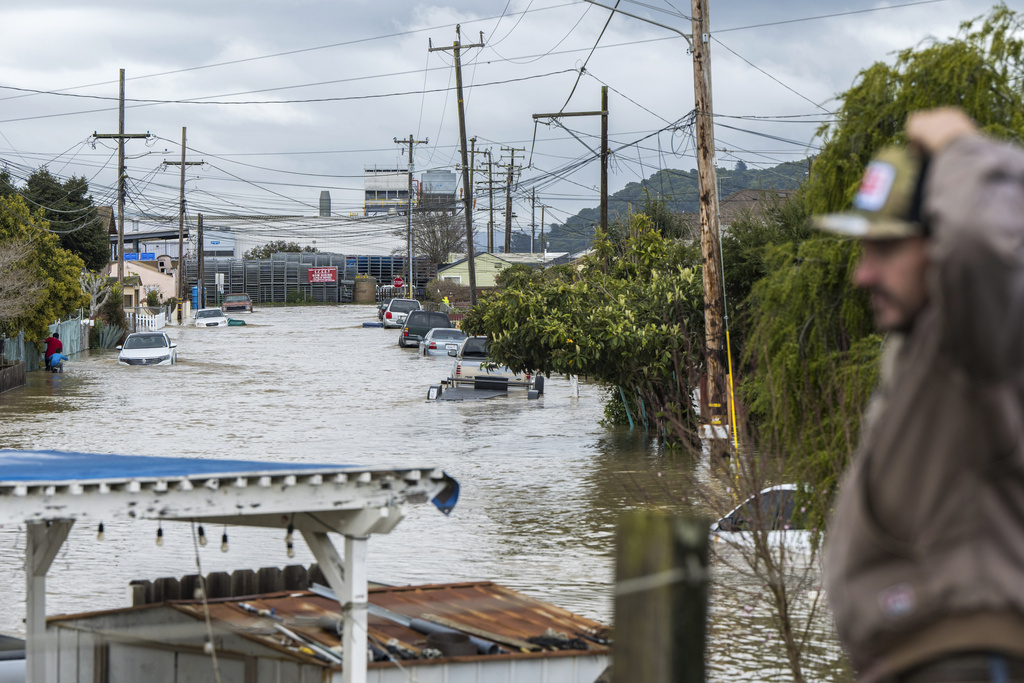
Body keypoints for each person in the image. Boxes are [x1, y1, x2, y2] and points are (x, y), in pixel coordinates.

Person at [814, 107, 1024, 682]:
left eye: (886, 249)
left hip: (967, 659)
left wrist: (961, 146)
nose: (863, 274)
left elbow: (983, 240)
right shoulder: (926, 356)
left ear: (939, 248)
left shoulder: (976, 337)